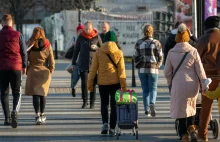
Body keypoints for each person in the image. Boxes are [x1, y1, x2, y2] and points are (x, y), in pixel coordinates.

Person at [164, 23, 208, 142]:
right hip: (193, 85)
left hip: (178, 84)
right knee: (191, 106)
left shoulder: (172, 52)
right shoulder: (193, 51)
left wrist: (170, 83)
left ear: (177, 36)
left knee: (180, 109)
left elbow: (167, 72)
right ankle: (192, 128)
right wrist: (204, 85)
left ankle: (184, 135)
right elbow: (200, 70)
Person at [88, 31, 126, 135]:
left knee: (104, 104)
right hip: (116, 83)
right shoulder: (119, 52)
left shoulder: (99, 52)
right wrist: (124, 86)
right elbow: (121, 71)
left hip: (102, 83)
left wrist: (90, 84)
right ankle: (112, 127)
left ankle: (105, 123)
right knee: (114, 105)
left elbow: (93, 69)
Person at [0, 14, 27, 128]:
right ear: (12, 23)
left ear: (2, 23)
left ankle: (7, 118)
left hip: (2, 68)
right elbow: (24, 51)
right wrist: (24, 65)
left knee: (4, 93)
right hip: (16, 67)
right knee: (17, 92)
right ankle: (15, 111)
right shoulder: (18, 35)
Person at [196, 16, 220, 141]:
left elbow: (196, 58)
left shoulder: (203, 40)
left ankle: (202, 135)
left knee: (205, 108)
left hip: (208, 78)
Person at [25, 27, 55, 125]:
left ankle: (37, 115)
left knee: (35, 94)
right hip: (44, 71)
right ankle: (42, 114)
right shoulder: (47, 44)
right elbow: (51, 60)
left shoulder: (30, 43)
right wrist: (51, 70)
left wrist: (26, 69)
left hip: (33, 71)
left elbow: (25, 57)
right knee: (42, 93)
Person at [133, 24, 163, 117]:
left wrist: (138, 64)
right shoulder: (157, 43)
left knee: (145, 90)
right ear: (152, 32)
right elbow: (161, 56)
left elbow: (135, 56)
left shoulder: (139, 42)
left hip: (142, 69)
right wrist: (158, 65)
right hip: (153, 69)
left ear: (144, 32)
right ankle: (152, 103)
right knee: (153, 88)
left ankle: (146, 110)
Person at [72, 21, 102, 109]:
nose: (87, 30)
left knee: (93, 83)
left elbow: (103, 48)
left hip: (94, 63)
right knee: (84, 83)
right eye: (85, 29)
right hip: (83, 63)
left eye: (89, 29)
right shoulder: (81, 37)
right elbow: (76, 50)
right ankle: (85, 101)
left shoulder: (96, 36)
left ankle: (92, 102)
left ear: (92, 28)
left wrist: (96, 48)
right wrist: (73, 63)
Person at [71, 24, 84, 97]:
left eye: (82, 30)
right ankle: (73, 88)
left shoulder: (84, 38)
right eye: (79, 31)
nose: (81, 32)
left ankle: (84, 94)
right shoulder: (73, 38)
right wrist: (72, 44)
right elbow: (66, 48)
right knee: (75, 79)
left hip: (83, 63)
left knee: (84, 80)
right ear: (77, 31)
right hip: (75, 63)